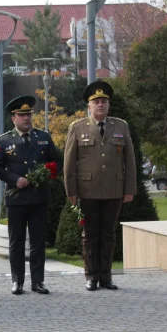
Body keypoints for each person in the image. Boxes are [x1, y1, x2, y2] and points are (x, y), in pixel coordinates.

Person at [63, 81, 136, 291]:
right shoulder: (77, 128)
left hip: (114, 189)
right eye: (96, 102)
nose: (100, 105)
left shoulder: (121, 126)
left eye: (104, 101)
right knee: (89, 235)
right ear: (89, 106)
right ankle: (91, 276)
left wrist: (129, 189)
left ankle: (106, 276)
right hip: (88, 191)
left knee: (108, 234)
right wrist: (72, 192)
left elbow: (129, 160)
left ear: (109, 105)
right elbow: (69, 163)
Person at [0, 95, 62, 295]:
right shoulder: (4, 140)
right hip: (17, 199)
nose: (26, 118)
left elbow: (56, 162)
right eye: (21, 115)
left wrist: (46, 173)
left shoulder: (44, 137)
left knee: (38, 241)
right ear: (13, 118)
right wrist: (14, 180)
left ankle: (38, 281)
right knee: (17, 241)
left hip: (39, 197)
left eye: (29, 114)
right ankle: (17, 281)